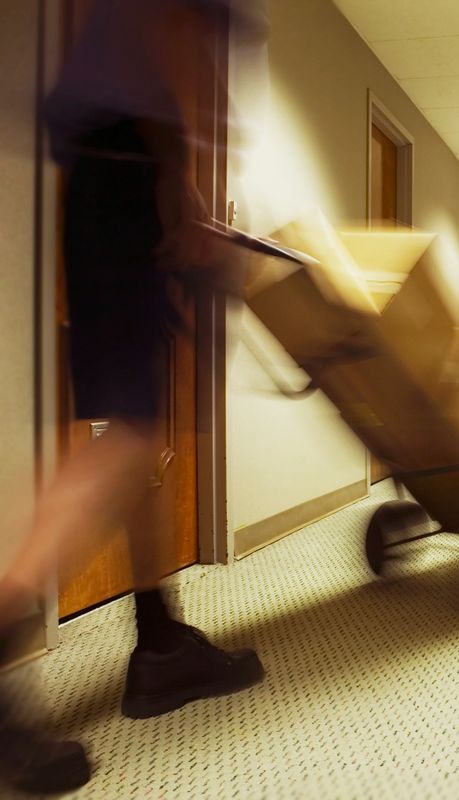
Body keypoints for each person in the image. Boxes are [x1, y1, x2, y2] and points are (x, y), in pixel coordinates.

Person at [0, 0, 266, 792]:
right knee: (130, 438)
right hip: (127, 174)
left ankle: (160, 642)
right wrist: (183, 193)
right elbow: (168, 32)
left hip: (110, 175)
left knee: (140, 428)